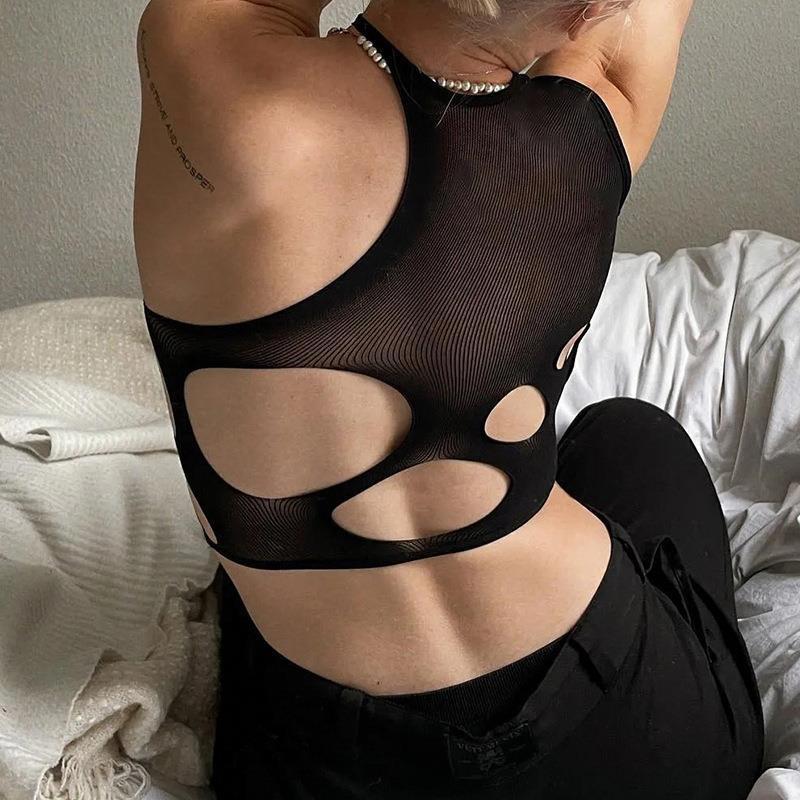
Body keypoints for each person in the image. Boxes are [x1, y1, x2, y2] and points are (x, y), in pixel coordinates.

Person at [132, 0, 765, 796]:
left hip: (328, 764)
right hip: (635, 748)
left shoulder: (215, 81)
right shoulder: (592, 123)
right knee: (629, 434)